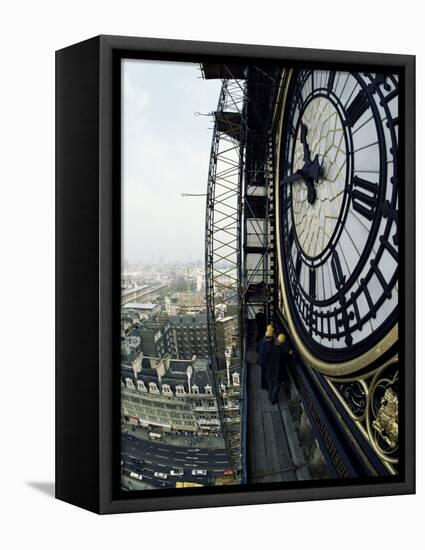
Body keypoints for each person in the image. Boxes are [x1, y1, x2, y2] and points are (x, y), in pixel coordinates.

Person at [267, 333, 292, 405]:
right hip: (277, 373)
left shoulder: (273, 348)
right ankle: (273, 400)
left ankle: (270, 397)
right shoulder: (282, 350)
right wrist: (290, 353)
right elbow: (286, 359)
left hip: (270, 371)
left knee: (271, 385)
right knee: (276, 386)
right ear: (283, 341)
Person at [256, 325, 274, 390]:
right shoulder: (269, 347)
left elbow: (256, 349)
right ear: (269, 338)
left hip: (260, 361)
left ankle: (262, 385)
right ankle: (266, 387)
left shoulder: (261, 341)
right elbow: (270, 357)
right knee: (266, 375)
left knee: (263, 374)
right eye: (271, 337)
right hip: (265, 363)